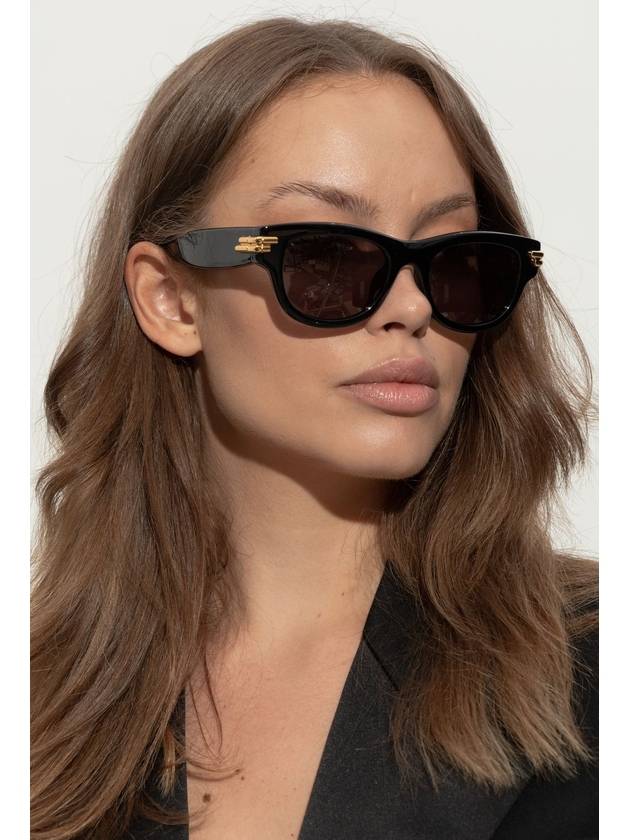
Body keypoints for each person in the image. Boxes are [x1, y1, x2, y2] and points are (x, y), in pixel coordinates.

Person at [30, 15, 598, 840]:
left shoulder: (597, 669)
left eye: (453, 261)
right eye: (327, 256)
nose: (411, 308)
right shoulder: (39, 700)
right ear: (172, 299)